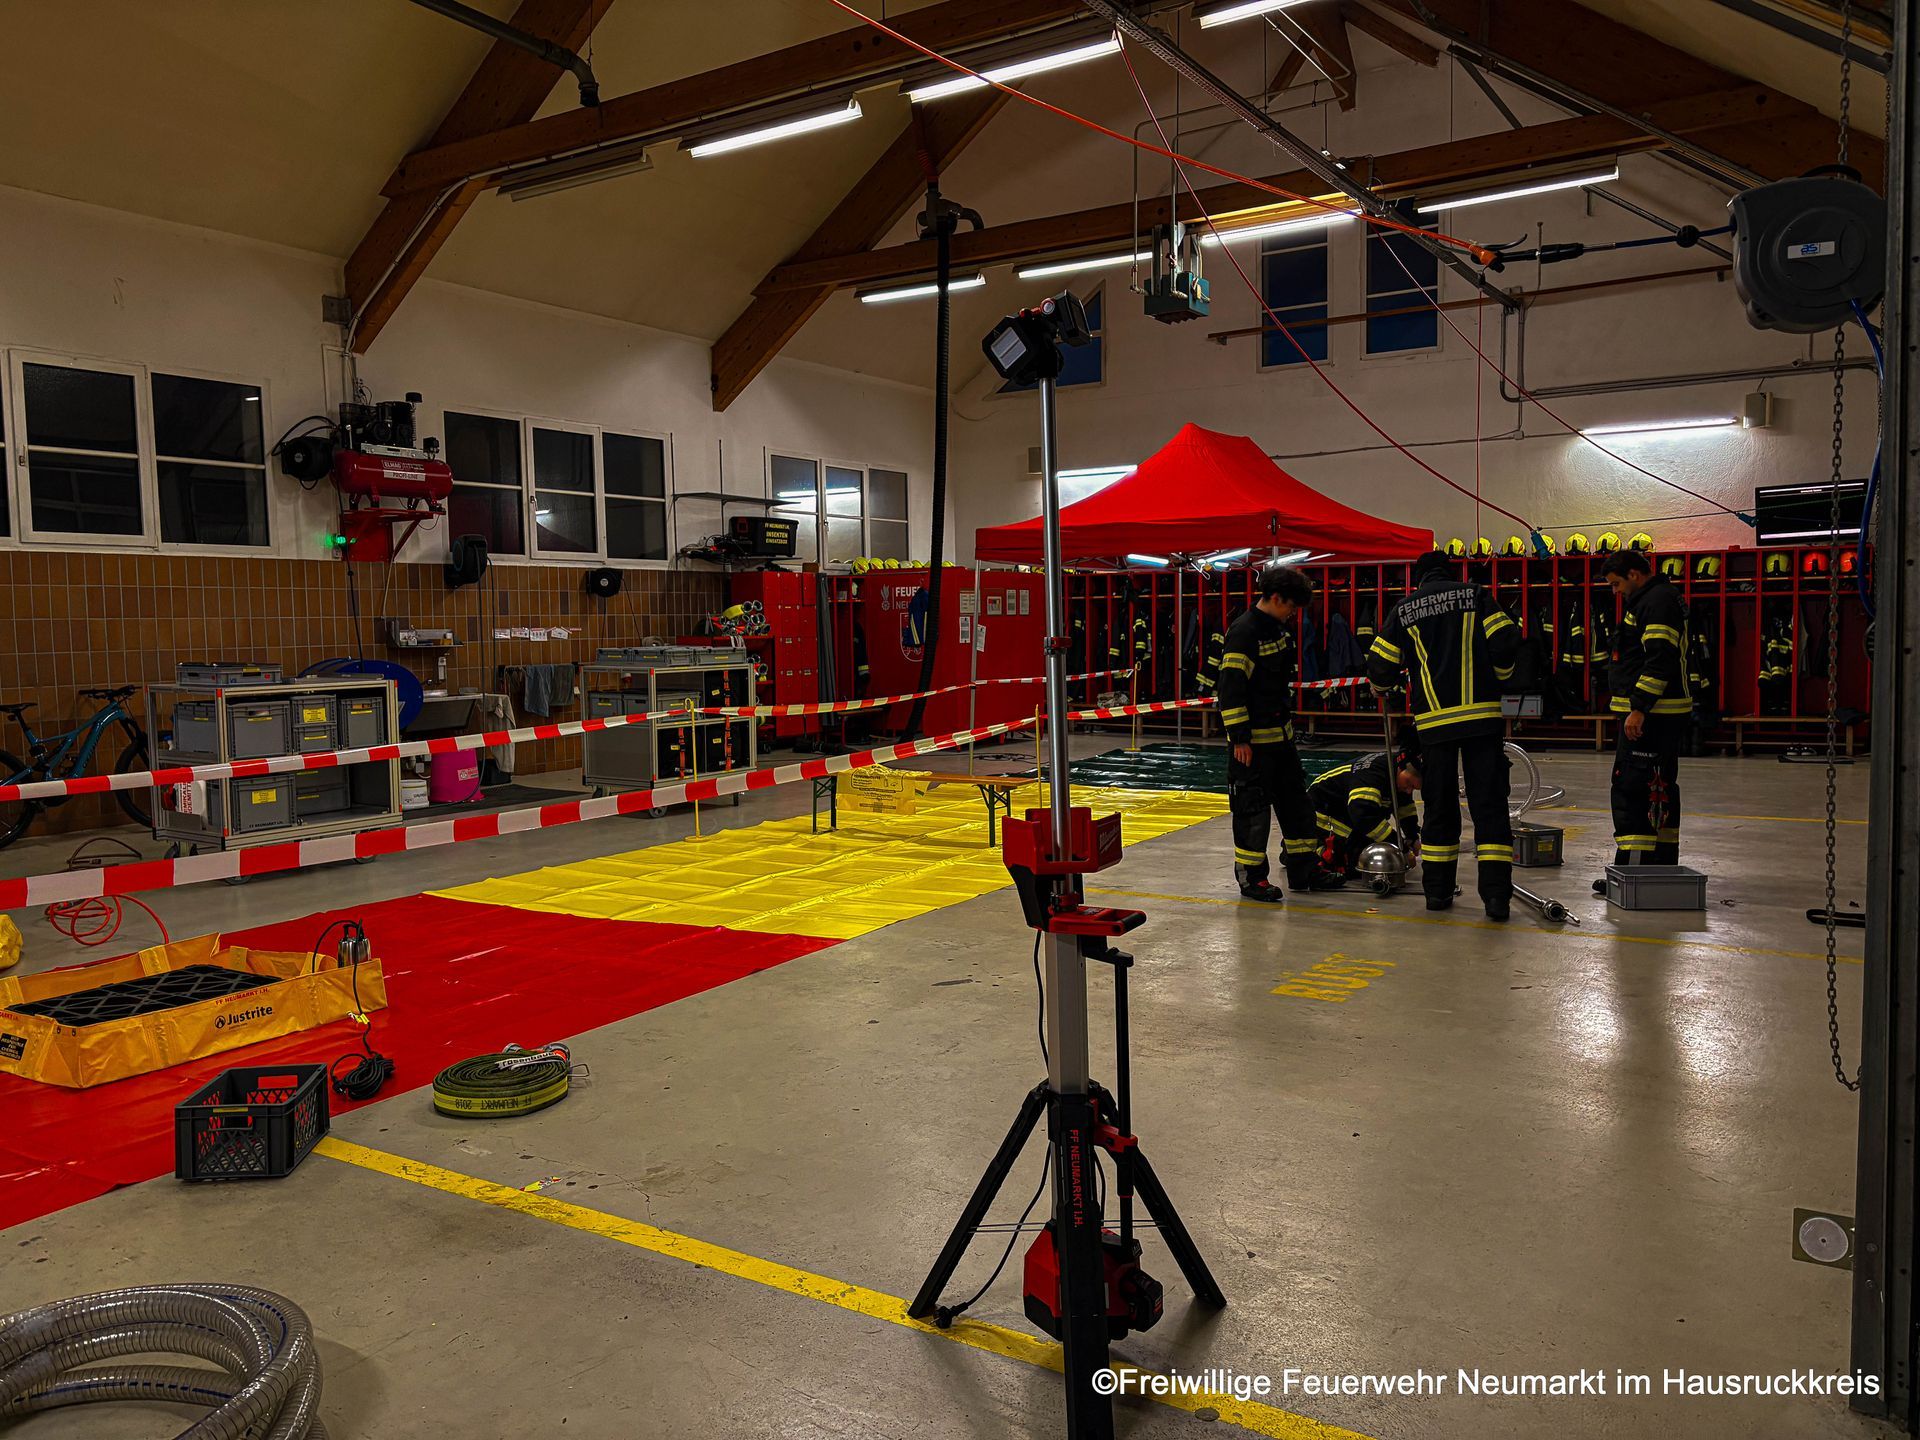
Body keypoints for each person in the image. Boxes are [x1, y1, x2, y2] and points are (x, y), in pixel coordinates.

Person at [1366, 550, 1521, 918]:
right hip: (1482, 720)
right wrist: (1499, 678)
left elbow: (1380, 664)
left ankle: (1437, 894)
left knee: (1439, 806)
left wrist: (1380, 686)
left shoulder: (1405, 608)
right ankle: (1496, 899)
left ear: (1419, 578)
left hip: (1435, 725)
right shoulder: (1477, 595)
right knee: (1489, 806)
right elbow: (1506, 640)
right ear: (1451, 572)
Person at [1216, 564, 1339, 901]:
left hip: (1282, 742)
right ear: (1275, 597)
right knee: (1252, 813)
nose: (1293, 614)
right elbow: (1230, 688)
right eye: (1291, 606)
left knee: (1298, 807)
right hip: (1252, 746)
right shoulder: (1244, 632)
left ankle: (1304, 871)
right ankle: (1252, 879)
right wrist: (1239, 738)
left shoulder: (1278, 630)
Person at [1596, 549, 1692, 889]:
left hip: (1652, 715)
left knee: (1633, 789)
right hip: (1659, 713)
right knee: (1658, 789)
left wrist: (1639, 708)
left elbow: (1659, 658)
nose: (1615, 591)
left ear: (1634, 575)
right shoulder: (1654, 600)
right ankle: (1658, 869)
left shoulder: (1656, 602)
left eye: (1616, 584)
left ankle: (1632, 873)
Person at [1309, 746, 1423, 883]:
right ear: (1401, 768)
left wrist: (1412, 836)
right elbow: (1365, 818)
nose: (1409, 791)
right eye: (1409, 784)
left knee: (1377, 852)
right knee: (1359, 862)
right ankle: (1317, 851)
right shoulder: (1371, 778)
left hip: (1346, 810)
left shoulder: (1397, 773)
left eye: (1414, 788)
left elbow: (1404, 807)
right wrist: (1401, 848)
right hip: (1322, 811)